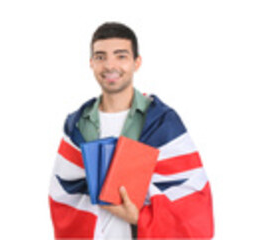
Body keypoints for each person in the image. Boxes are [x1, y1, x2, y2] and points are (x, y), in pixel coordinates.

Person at [46, 22, 214, 239]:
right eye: (100, 57)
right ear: (91, 63)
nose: (110, 65)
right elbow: (62, 194)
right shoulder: (78, 125)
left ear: (137, 62)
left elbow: (192, 200)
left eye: (121, 56)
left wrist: (139, 217)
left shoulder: (161, 123)